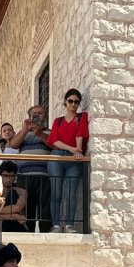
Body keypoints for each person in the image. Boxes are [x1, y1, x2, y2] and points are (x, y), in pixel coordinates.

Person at [47, 88, 90, 233]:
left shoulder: (82, 117)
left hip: (74, 159)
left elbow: (80, 134)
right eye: (70, 101)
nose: (73, 104)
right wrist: (73, 150)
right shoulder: (58, 121)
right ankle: (57, 225)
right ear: (65, 102)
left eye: (76, 102)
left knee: (71, 193)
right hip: (58, 156)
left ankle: (69, 225)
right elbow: (54, 141)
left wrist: (78, 151)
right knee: (56, 193)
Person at [0, 161, 29, 233]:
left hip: (16, 226)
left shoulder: (21, 192)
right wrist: (15, 216)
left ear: (14, 177)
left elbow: (17, 208)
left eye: (11, 176)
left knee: (13, 193)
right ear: (0, 175)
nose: (8, 179)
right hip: (0, 226)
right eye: (5, 176)